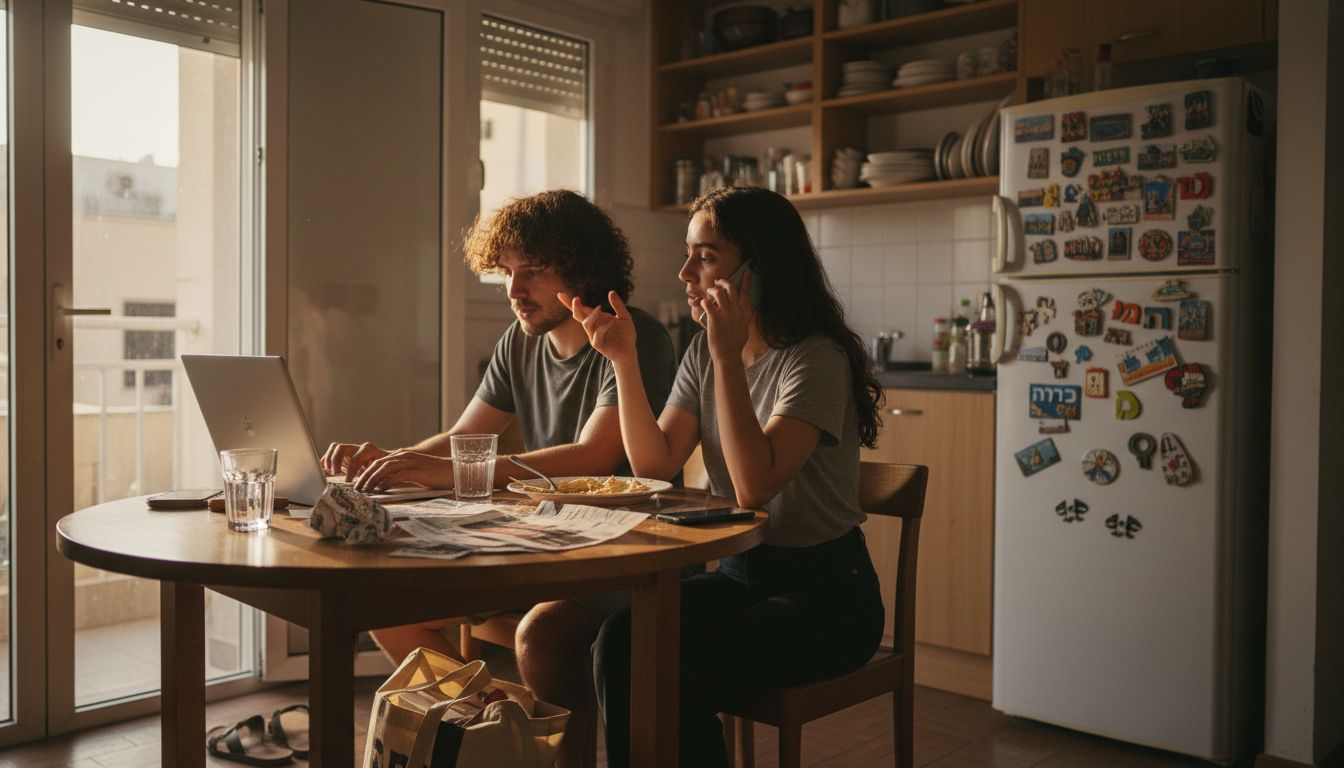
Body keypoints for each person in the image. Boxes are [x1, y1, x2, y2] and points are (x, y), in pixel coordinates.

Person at [320, 190, 677, 768]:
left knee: (541, 635)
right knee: (385, 605)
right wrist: (393, 459)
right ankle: (499, 737)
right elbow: (464, 436)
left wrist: (447, 469)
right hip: (539, 542)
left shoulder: (636, 338)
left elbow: (596, 454)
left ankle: (542, 754)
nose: (514, 290)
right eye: (506, 272)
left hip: (621, 550)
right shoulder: (518, 341)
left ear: (581, 269)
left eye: (531, 271)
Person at [563, 186, 886, 767]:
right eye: (688, 253)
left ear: (758, 270)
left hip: (827, 594)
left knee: (683, 669)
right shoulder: (702, 353)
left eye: (706, 257)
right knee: (619, 642)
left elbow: (753, 487)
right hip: (740, 575)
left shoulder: (816, 358)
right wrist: (625, 362)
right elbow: (655, 465)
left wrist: (726, 357)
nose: (685, 272)